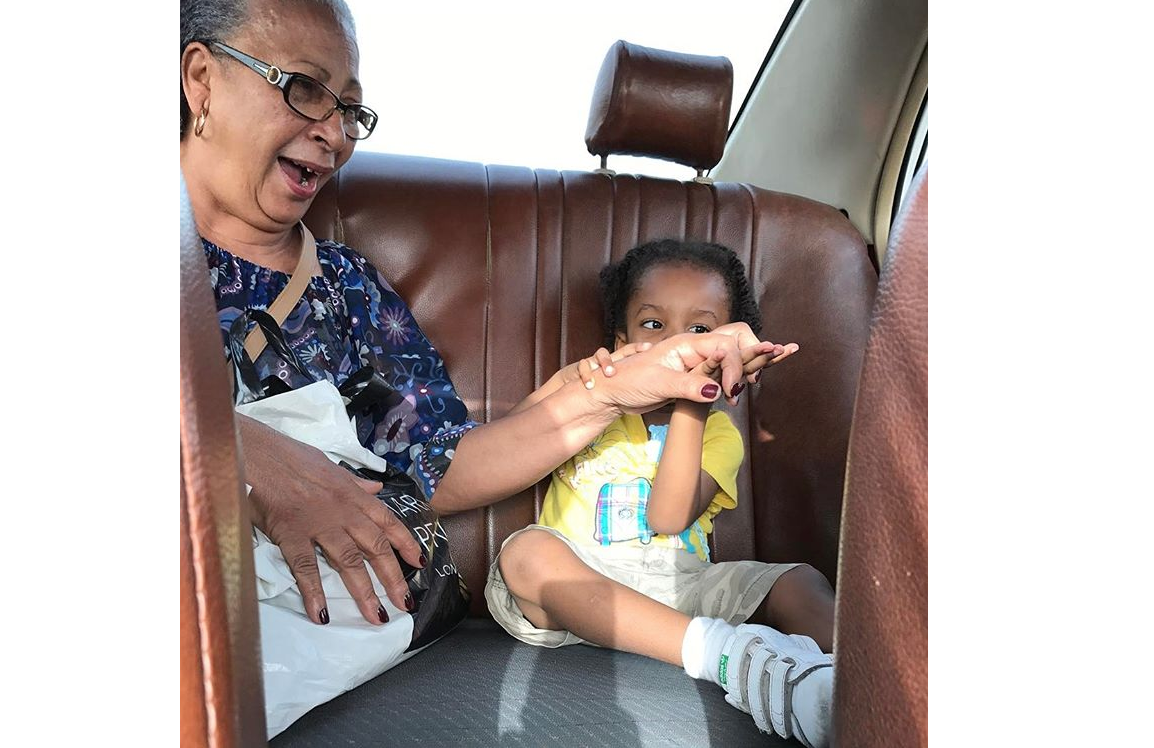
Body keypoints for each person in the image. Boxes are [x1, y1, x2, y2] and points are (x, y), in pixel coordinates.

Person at [179, 0, 779, 631]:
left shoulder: (347, 289)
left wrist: (608, 394)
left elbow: (439, 465)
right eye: (303, 89)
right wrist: (245, 453)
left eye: (349, 111)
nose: (334, 133)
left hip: (324, 631)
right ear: (201, 81)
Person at [486, 239, 836, 748]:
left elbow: (669, 516)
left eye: (700, 330)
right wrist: (575, 386)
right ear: (622, 337)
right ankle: (727, 656)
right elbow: (506, 446)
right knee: (526, 552)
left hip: (681, 589)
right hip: (577, 587)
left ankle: (865, 681)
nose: (678, 344)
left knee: (798, 581)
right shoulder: (595, 407)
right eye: (654, 325)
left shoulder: (718, 435)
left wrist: (693, 405)